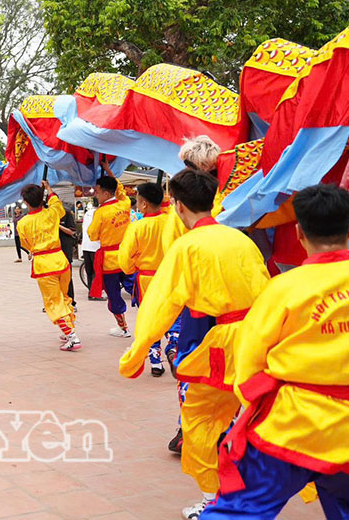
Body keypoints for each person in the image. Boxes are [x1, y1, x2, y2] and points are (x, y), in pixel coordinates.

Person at [203, 184, 349, 519]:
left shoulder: (284, 287)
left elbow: (248, 364)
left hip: (293, 425)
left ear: (298, 232)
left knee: (239, 511)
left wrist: (251, 406)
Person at [118, 169, 269, 520]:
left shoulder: (187, 246)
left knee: (199, 421)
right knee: (241, 416)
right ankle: (242, 489)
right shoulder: (240, 239)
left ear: (179, 206)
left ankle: (214, 499)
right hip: (251, 343)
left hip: (210, 344)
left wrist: (138, 352)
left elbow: (161, 304)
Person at [117, 182, 174, 377]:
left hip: (147, 279)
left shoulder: (137, 227)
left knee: (149, 318)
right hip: (170, 276)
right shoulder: (172, 222)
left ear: (143, 205)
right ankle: (174, 347)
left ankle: (156, 361)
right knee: (172, 316)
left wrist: (132, 268)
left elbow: (125, 260)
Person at [16, 182, 80, 351]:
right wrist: (49, 189)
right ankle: (69, 329)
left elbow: (26, 244)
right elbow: (56, 203)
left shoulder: (23, 223)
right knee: (65, 297)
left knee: (53, 302)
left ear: (26, 202)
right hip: (60, 260)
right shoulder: (52, 213)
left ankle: (72, 336)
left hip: (45, 265)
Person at [87, 175, 132, 335]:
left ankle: (123, 327)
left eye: (97, 192)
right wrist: (109, 173)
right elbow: (121, 191)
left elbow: (92, 235)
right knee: (136, 289)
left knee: (113, 294)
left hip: (109, 260)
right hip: (128, 256)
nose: (95, 195)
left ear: (106, 194)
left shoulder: (101, 212)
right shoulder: (125, 204)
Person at [80, 201, 104, 301]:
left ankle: (91, 292)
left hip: (85, 245)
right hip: (96, 246)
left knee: (89, 271)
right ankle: (95, 294)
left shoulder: (87, 213)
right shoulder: (100, 213)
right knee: (96, 272)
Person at [58, 204, 78, 306]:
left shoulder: (66, 212)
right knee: (53, 278)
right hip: (53, 250)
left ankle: (71, 302)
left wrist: (58, 225)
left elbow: (71, 232)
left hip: (65, 248)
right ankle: (56, 302)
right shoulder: (48, 214)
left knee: (67, 276)